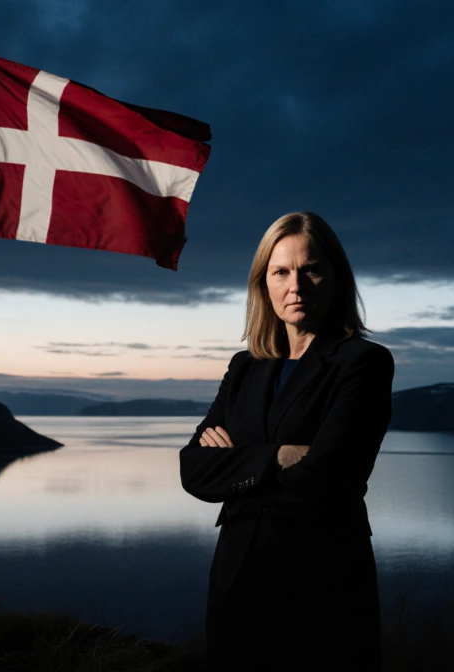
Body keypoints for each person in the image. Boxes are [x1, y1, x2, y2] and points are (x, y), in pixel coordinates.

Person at [179, 212, 394, 671]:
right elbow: (193, 469)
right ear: (264, 284)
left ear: (335, 277)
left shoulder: (362, 362)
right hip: (236, 582)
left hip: (322, 583)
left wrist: (237, 463)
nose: (296, 285)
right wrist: (277, 456)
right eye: (281, 271)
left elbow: (329, 476)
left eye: (311, 268)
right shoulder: (245, 368)